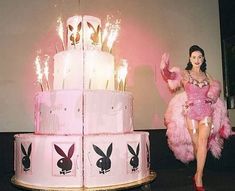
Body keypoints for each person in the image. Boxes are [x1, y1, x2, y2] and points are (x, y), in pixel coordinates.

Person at [160, 45, 231, 191]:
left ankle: (199, 177)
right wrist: (165, 69)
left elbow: (216, 89)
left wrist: (213, 95)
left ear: (203, 59)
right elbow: (170, 76)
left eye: (199, 57)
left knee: (203, 142)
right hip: (191, 112)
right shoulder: (185, 74)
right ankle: (198, 173)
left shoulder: (207, 76)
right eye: (194, 57)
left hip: (206, 113)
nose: (197, 60)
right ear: (190, 59)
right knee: (197, 145)